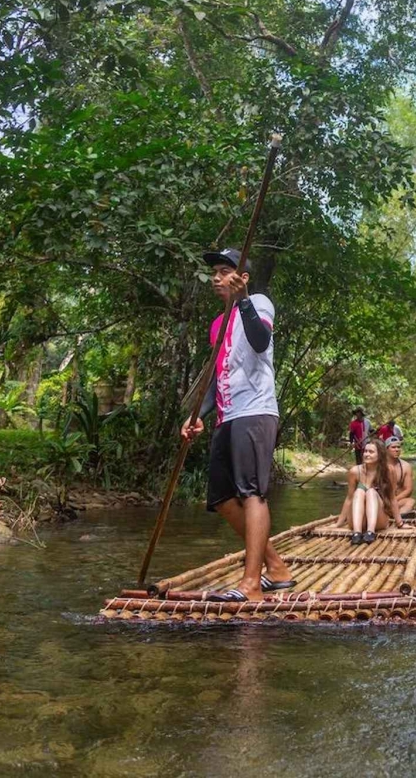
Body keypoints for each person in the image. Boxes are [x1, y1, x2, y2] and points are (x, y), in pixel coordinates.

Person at [180, 247, 295, 602]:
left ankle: (251, 585)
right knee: (220, 497)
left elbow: (260, 342)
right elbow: (219, 376)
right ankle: (276, 567)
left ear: (242, 278)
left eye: (223, 270)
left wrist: (244, 301)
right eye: (213, 271)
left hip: (256, 410)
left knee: (251, 492)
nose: (215, 277)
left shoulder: (258, 302)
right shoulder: (217, 324)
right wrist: (198, 413)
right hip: (228, 415)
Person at [336, 439, 404, 544]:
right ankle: (357, 533)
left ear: (380, 455)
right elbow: (349, 499)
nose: (366, 454)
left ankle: (370, 532)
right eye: (365, 451)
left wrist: (400, 524)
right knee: (359, 491)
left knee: (371, 492)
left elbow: (392, 498)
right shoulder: (355, 471)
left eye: (371, 452)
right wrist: (338, 524)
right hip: (358, 520)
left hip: (378, 520)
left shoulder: (389, 471)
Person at [385, 435, 415, 516]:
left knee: (411, 501)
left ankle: (399, 519)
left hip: (397, 501)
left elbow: (408, 489)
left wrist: (393, 500)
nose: (397, 449)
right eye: (393, 447)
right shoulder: (379, 465)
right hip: (381, 502)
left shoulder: (406, 466)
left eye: (398, 447)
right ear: (386, 449)